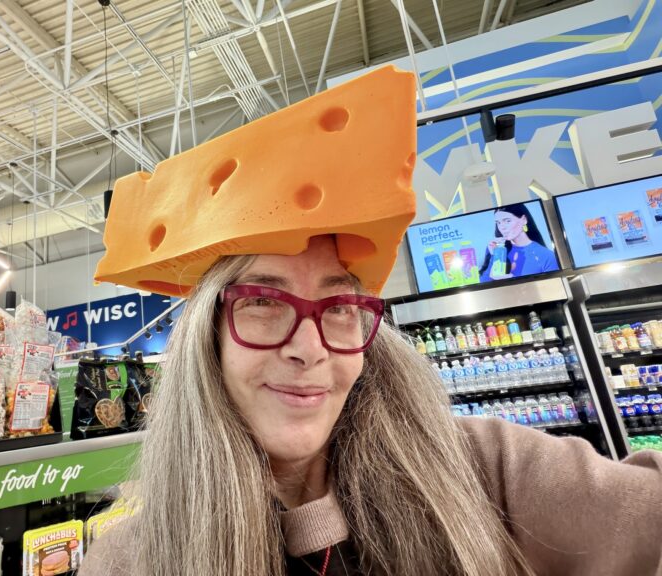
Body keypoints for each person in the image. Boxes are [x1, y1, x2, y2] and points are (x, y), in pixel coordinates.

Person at [80, 68, 662, 576]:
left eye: (338, 308)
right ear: (207, 337)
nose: (310, 349)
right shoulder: (129, 560)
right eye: (263, 301)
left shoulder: (486, 468)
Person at [479, 203, 559, 282]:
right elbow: (482, 283)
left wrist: (512, 280)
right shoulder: (496, 248)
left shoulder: (547, 256)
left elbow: (553, 287)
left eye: (507, 221)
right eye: (498, 223)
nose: (502, 227)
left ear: (524, 220)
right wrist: (495, 255)